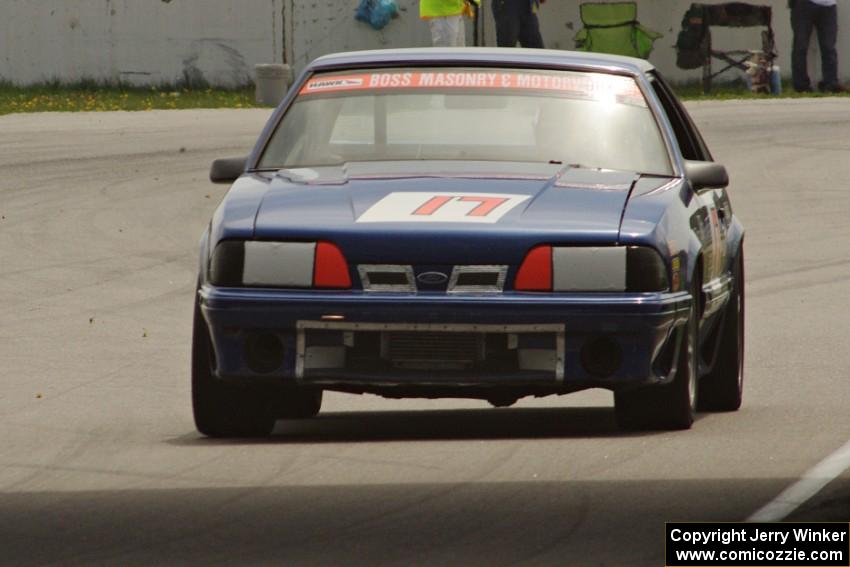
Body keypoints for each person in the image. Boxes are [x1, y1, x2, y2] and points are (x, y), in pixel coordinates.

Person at [790, 0, 840, 92]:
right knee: (800, 46)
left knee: (829, 47)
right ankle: (801, 86)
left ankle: (830, 84)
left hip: (829, 6)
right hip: (803, 5)